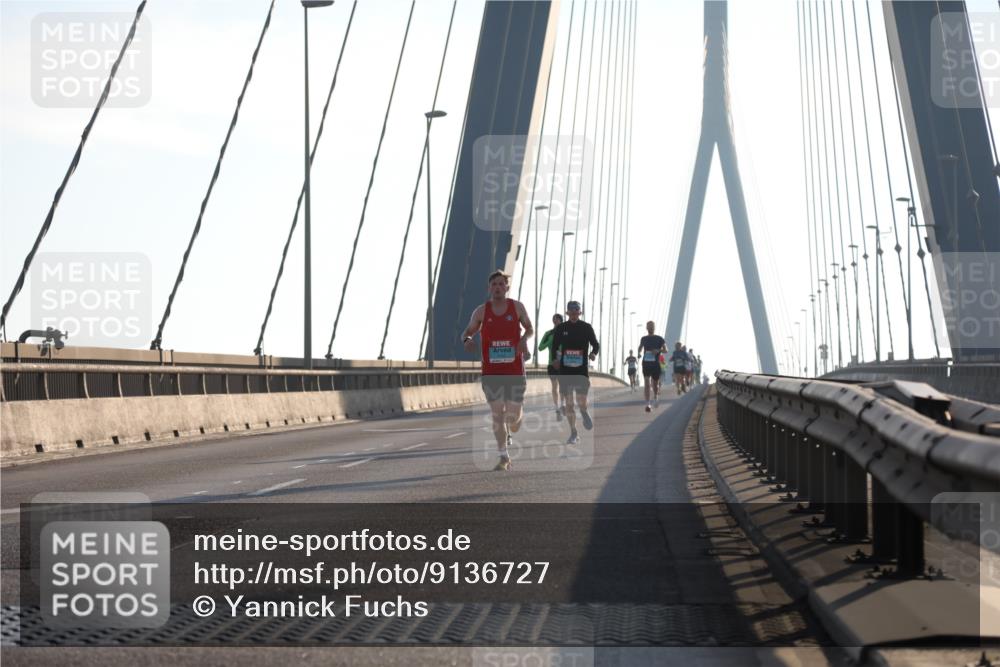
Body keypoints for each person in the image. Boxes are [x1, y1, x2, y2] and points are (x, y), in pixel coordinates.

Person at [462, 269, 534, 471]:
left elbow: (530, 328)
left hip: (514, 372)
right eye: (494, 284)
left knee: (512, 418)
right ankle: (503, 457)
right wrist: (467, 340)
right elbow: (467, 332)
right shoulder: (481, 311)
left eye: (501, 284)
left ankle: (515, 422)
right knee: (497, 415)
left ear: (507, 287)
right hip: (491, 373)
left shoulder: (517, 307)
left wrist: (523, 340)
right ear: (489, 288)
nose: (497, 288)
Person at [551, 300, 600, 445]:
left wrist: (593, 353)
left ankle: (584, 412)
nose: (573, 313)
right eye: (570, 311)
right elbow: (554, 346)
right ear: (567, 313)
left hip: (581, 370)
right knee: (569, 403)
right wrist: (555, 359)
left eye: (576, 311)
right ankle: (574, 432)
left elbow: (595, 344)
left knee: (581, 401)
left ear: (580, 312)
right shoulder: (562, 328)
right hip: (565, 370)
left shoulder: (586, 327)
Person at [537, 314, 565, 420]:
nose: (556, 321)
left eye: (558, 319)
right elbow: (540, 347)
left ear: (561, 321)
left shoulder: (565, 333)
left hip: (563, 364)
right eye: (554, 319)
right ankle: (556, 407)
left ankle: (562, 404)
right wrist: (550, 341)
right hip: (551, 364)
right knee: (554, 386)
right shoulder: (548, 334)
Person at [637, 321, 666, 412]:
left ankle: (656, 397)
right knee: (646, 383)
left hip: (655, 364)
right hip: (646, 363)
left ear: (654, 327)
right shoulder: (644, 338)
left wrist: (658, 350)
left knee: (655, 384)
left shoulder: (659, 339)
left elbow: (666, 350)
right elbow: (640, 347)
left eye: (652, 326)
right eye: (649, 326)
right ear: (646, 328)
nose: (650, 328)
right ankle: (648, 404)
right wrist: (639, 352)